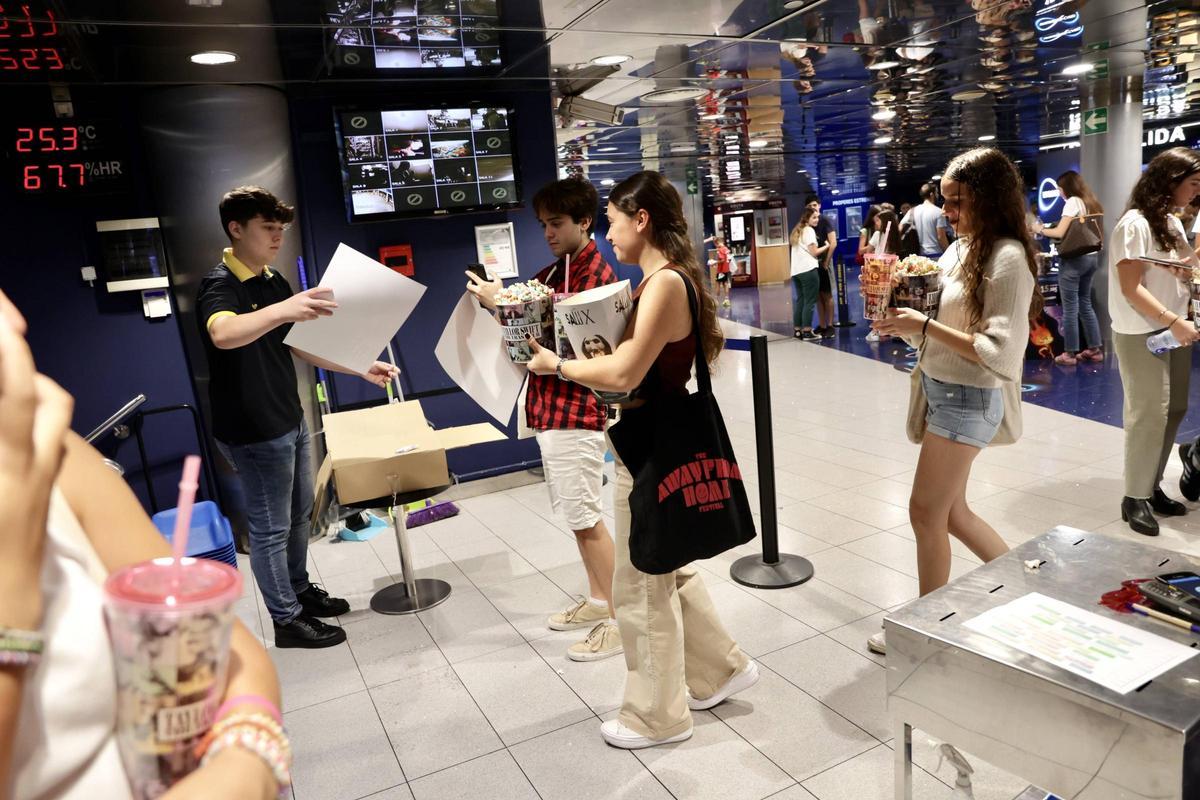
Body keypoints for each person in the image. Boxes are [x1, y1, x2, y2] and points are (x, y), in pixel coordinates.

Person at [0, 288, 288, 799]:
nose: (14, 319)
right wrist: (13, 581)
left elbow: (231, 655)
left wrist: (248, 753)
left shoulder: (48, 455)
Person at [525, 170, 756, 750]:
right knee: (667, 563)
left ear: (641, 219)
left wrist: (560, 367)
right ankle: (722, 669)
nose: (608, 231)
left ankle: (658, 716)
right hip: (648, 438)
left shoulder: (663, 285)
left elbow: (626, 370)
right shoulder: (657, 281)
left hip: (652, 443)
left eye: (611, 219)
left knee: (640, 583)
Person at [198, 186, 398, 649]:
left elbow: (295, 343)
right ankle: (286, 619)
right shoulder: (219, 284)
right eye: (268, 229)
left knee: (297, 518)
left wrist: (359, 364)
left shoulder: (272, 281)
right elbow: (224, 333)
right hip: (251, 430)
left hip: (287, 418)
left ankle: (299, 591)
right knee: (270, 528)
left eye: (280, 230)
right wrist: (283, 308)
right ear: (236, 228)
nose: (277, 238)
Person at [869, 148, 1039, 655]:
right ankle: (1029, 593)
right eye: (945, 202)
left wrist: (922, 325)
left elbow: (998, 353)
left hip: (970, 399)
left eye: (957, 202)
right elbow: (937, 328)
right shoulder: (962, 248)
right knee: (953, 514)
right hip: (943, 391)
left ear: (986, 198)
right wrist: (902, 318)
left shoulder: (1007, 258)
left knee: (925, 512)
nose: (948, 213)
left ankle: (929, 626)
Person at [465, 177, 622, 663]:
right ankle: (600, 601)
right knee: (577, 517)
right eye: (544, 224)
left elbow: (586, 344)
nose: (549, 232)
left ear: (585, 222)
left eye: (557, 223)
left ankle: (620, 618)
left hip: (576, 411)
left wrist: (507, 304)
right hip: (549, 408)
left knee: (586, 515)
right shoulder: (553, 274)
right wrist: (501, 308)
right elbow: (529, 339)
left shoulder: (597, 277)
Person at [1108, 148, 1200, 535]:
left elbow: (1185, 270)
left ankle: (1151, 484)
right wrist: (1174, 320)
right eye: (1193, 184)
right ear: (1170, 180)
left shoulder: (1171, 223)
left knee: (1173, 408)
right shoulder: (1134, 225)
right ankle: (1134, 497)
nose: (1196, 192)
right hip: (1143, 330)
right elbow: (1131, 288)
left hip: (1174, 327)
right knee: (1148, 413)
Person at [1038, 171, 1105, 365]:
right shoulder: (1091, 202)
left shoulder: (1073, 202)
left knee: (1069, 308)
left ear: (1066, 187)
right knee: (1085, 304)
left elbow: (1059, 232)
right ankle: (1094, 349)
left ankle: (1069, 353)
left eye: (1059, 189)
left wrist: (1039, 229)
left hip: (1074, 260)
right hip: (1092, 258)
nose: (1059, 193)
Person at [864, 210, 901, 343]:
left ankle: (877, 330)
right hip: (890, 271)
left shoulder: (878, 235)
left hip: (877, 272)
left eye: (878, 221)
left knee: (877, 302)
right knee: (888, 302)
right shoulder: (894, 235)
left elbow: (869, 251)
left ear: (884, 222)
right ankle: (888, 329)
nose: (876, 224)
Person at [790, 208, 826, 340]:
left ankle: (798, 330)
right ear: (807, 219)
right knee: (810, 301)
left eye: (817, 217)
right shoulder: (809, 230)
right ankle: (807, 331)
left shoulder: (797, 231)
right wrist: (827, 246)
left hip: (796, 271)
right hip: (808, 270)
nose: (816, 220)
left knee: (801, 300)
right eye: (814, 217)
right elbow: (814, 252)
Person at [807, 199, 838, 338]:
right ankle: (822, 324)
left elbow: (833, 243)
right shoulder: (808, 224)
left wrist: (827, 261)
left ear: (819, 205)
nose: (813, 208)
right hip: (814, 263)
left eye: (814, 205)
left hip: (825, 261)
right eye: (810, 207)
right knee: (818, 296)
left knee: (827, 294)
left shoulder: (825, 220)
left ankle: (830, 325)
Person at [900, 182, 952, 258]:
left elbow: (900, 227)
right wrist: (949, 254)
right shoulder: (938, 212)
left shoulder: (913, 211)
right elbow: (941, 237)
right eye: (936, 192)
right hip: (937, 254)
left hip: (920, 256)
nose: (937, 195)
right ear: (932, 194)